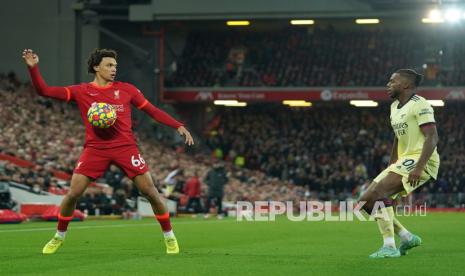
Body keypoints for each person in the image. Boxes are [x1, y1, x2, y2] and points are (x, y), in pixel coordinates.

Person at [22, 48, 194, 255]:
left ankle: (170, 237)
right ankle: (59, 236)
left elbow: (153, 111)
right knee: (73, 193)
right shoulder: (81, 91)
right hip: (95, 149)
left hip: (125, 147)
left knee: (150, 192)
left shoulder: (127, 89)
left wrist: (178, 125)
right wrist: (33, 69)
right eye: (109, 65)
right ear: (96, 67)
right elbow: (45, 91)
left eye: (115, 66)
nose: (114, 69)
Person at [358, 69, 440, 258]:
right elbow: (398, 137)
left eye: (392, 81)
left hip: (422, 158)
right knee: (364, 202)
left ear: (406, 85)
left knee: (380, 193)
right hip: (404, 160)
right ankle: (406, 236)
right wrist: (392, 163)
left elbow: (432, 137)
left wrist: (419, 167)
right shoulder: (394, 106)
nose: (388, 85)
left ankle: (389, 246)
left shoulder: (420, 104)